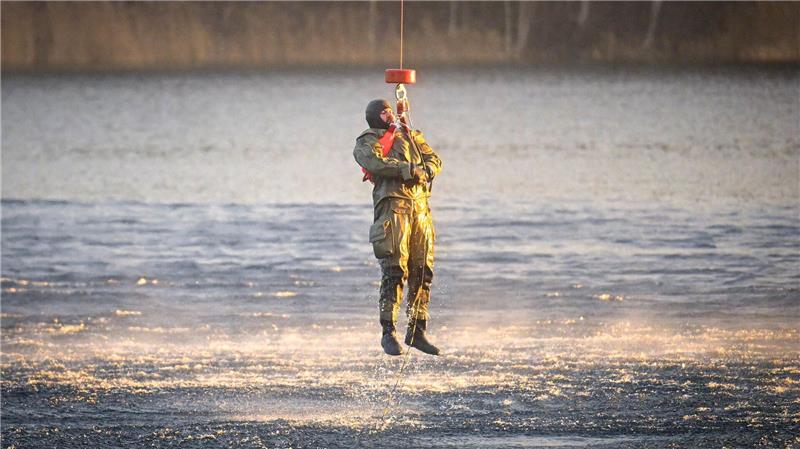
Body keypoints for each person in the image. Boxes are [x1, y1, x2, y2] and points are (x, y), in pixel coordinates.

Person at [353, 99, 442, 356]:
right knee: (395, 270)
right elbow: (373, 162)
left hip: (420, 211)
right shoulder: (368, 140)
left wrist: (428, 169)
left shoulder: (411, 135)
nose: (390, 114)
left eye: (390, 110)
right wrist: (407, 169)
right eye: (384, 111)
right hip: (393, 210)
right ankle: (388, 332)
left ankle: (417, 330)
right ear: (374, 117)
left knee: (422, 270)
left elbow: (433, 158)